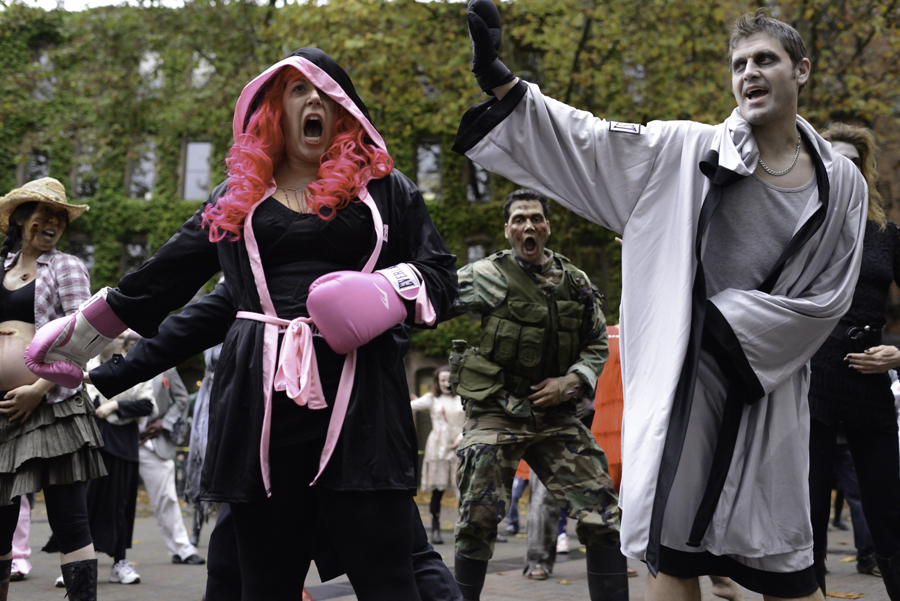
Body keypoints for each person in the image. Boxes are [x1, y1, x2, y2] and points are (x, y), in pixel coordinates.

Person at [454, 4, 868, 600]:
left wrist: (736, 329)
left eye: (765, 60)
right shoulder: (685, 151)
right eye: (739, 63)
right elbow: (590, 140)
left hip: (770, 391)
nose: (749, 72)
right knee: (672, 554)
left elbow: (833, 292)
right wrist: (503, 81)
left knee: (786, 559)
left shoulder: (841, 183)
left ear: (801, 71)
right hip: (687, 383)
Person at [28, 48, 459, 601]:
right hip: (260, 413)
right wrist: (78, 340)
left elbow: (442, 276)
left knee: (391, 579)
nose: (313, 103)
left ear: (346, 115)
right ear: (274, 110)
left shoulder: (385, 190)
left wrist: (386, 291)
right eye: (297, 91)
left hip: (363, 412)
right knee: (263, 583)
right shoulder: (235, 201)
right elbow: (161, 281)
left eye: (327, 94)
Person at [446, 189, 625, 600]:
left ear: (547, 227)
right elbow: (431, 302)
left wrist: (572, 380)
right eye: (520, 219)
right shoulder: (485, 275)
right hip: (496, 409)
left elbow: (597, 342)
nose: (529, 226)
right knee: (478, 517)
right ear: (507, 229)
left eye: (536, 219)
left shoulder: (576, 283)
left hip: (557, 415)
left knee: (602, 515)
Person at [0, 177, 106, 601]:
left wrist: (38, 390)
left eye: (60, 217)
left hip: (52, 407)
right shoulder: (1, 266)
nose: (53, 223)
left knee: (68, 518)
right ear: (22, 218)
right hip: (4, 413)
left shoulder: (66, 267)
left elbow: (83, 337)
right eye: (44, 214)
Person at [807, 123, 900, 599]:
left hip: (871, 390)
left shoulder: (886, 235)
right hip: (813, 386)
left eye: (852, 161)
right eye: (832, 158)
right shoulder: (800, 229)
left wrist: (899, 354)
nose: (841, 167)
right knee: (808, 521)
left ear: (863, 172)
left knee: (889, 514)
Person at [141, 363, 205, 565]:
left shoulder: (163, 364)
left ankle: (182, 549)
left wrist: (164, 423)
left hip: (154, 444)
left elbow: (182, 399)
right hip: (118, 441)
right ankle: (82, 556)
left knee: (167, 497)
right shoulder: (107, 361)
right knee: (100, 495)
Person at [410, 365, 464, 545]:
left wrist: (461, 439)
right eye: (442, 380)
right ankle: (435, 529)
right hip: (438, 448)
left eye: (449, 379)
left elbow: (471, 420)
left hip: (459, 447)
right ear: (437, 381)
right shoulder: (432, 399)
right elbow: (409, 406)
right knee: (437, 491)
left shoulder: (463, 398)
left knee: (462, 489)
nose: (446, 383)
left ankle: (465, 528)